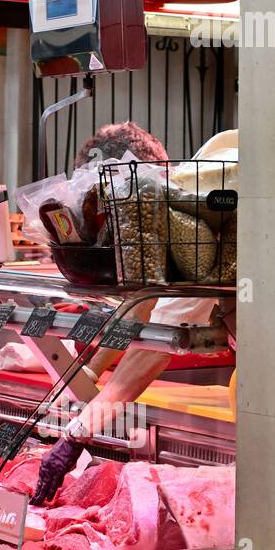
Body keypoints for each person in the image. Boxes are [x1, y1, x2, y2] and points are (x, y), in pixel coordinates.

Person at [31, 124, 238, 505]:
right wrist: (90, 371)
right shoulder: (176, 200)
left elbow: (163, 329)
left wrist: (78, 432)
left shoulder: (205, 198)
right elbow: (144, 304)